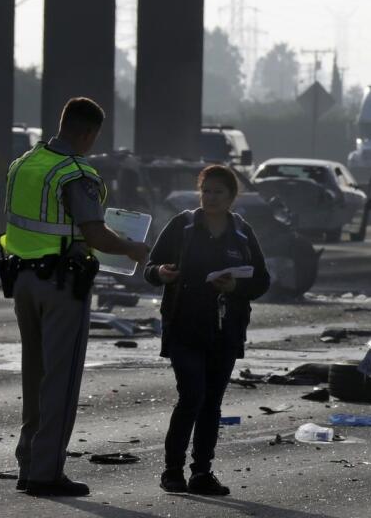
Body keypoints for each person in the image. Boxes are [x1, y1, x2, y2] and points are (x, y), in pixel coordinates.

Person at [1, 97, 150, 497]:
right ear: (88, 133)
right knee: (60, 380)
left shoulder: (25, 163)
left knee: (35, 376)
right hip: (61, 285)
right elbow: (96, 234)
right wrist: (132, 249)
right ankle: (46, 473)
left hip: (23, 279)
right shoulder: (75, 173)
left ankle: (29, 463)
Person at [146, 164, 269, 497]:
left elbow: (261, 281)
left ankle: (202, 472)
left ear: (231, 197)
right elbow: (150, 268)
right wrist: (161, 272)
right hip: (185, 326)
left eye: (218, 192)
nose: (210, 197)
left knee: (212, 403)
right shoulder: (182, 225)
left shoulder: (241, 231)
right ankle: (172, 471)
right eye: (206, 190)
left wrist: (234, 289)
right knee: (192, 396)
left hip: (226, 330)